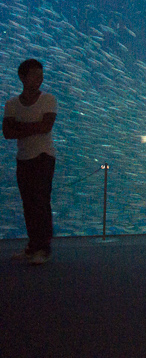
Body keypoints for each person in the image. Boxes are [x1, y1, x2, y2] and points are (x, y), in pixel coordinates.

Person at [3, 59, 58, 265]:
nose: (39, 79)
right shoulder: (11, 104)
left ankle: (43, 249)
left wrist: (20, 126)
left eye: (41, 75)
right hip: (23, 158)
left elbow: (46, 127)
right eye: (35, 75)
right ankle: (33, 246)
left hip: (44, 156)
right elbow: (7, 133)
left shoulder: (48, 99)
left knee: (41, 202)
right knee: (28, 203)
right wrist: (33, 126)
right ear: (22, 77)